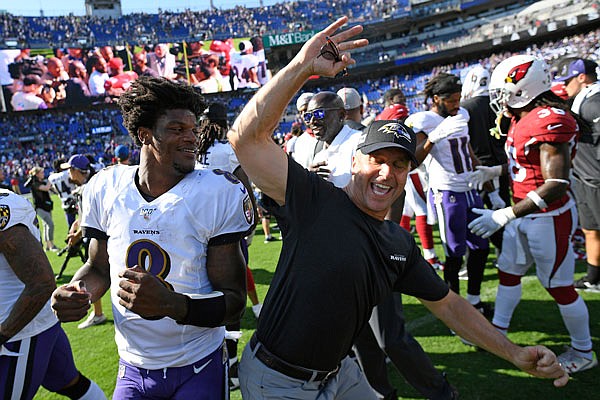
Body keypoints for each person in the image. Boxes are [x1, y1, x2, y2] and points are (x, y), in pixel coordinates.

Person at [228, 17, 568, 399]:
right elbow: (245, 138)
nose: (387, 173)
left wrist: (514, 352)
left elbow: (450, 306)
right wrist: (302, 68)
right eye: (377, 159)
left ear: (409, 171)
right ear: (355, 161)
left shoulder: (398, 243)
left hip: (338, 374)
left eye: (400, 163)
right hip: (277, 379)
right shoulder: (316, 200)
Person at [51, 76, 254, 399]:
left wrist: (172, 304)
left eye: (193, 129)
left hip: (198, 363)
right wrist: (77, 292)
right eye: (177, 129)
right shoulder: (106, 187)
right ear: (145, 135)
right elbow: (99, 268)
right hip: (132, 365)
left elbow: (233, 301)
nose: (192, 138)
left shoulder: (217, 190)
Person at [468, 54, 597, 373]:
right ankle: (497, 334)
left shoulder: (548, 120)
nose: (498, 100)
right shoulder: (522, 116)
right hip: (525, 213)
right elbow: (526, 168)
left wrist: (505, 215)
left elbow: (555, 182)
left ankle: (583, 351)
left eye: (502, 92)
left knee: (558, 286)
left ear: (524, 87)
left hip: (548, 217)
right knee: (509, 272)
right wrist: (495, 171)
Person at [328, 88, 455, 399]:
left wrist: (383, 238)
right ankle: (381, 393)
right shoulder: (312, 145)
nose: (314, 122)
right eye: (309, 116)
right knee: (359, 338)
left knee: (389, 337)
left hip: (375, 252)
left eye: (322, 115)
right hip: (341, 258)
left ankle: (440, 392)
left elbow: (386, 198)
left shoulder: (360, 137)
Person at [0, 189, 106, 400]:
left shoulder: (4, 208)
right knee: (71, 383)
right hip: (36, 325)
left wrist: (2, 335)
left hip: (19, 331)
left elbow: (41, 283)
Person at [411, 73, 492, 324]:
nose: (457, 105)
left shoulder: (461, 115)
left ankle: (475, 299)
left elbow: (465, 148)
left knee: (481, 248)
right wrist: (434, 138)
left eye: (459, 99)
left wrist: (486, 179)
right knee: (454, 252)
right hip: (447, 192)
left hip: (470, 189)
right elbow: (414, 160)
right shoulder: (423, 120)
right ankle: (454, 307)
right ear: (436, 99)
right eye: (452, 100)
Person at [197, 101, 263, 390]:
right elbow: (245, 187)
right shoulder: (227, 152)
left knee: (205, 298)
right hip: (227, 234)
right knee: (231, 303)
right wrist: (253, 222)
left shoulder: (194, 153)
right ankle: (232, 368)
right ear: (224, 123)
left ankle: (213, 363)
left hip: (198, 234)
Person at [553, 58, 600, 293]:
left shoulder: (594, 102)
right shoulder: (581, 101)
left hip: (596, 178)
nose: (564, 86)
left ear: (581, 77)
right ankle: (594, 277)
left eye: (567, 80)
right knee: (591, 229)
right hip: (584, 176)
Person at [460, 64, 509, 252]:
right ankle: (505, 249)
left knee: (480, 213)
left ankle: (486, 250)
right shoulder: (500, 104)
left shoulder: (465, 108)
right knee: (503, 210)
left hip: (478, 167)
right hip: (500, 164)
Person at [59, 155, 108, 329]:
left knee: (94, 273)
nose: (68, 174)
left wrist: (76, 235)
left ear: (76, 170)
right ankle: (98, 313)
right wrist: (75, 226)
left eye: (69, 170)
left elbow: (90, 222)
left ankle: (98, 313)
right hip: (93, 237)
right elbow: (83, 217)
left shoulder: (89, 188)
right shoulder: (88, 185)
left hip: (96, 239)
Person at [306, 91, 363, 187]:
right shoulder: (319, 155)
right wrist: (309, 180)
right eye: (308, 116)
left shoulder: (359, 143)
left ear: (341, 114)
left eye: (319, 113)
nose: (312, 121)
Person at [26, 166, 59, 252]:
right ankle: (52, 245)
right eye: (41, 172)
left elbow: (52, 189)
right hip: (40, 207)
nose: (43, 174)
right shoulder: (35, 183)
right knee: (50, 224)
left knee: (45, 225)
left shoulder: (41, 182)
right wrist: (50, 179)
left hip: (46, 206)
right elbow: (46, 188)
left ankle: (47, 246)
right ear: (37, 174)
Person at [48, 158, 78, 229]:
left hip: (65, 203)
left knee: (71, 226)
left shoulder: (51, 177)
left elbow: (52, 189)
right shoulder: (66, 173)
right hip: (75, 200)